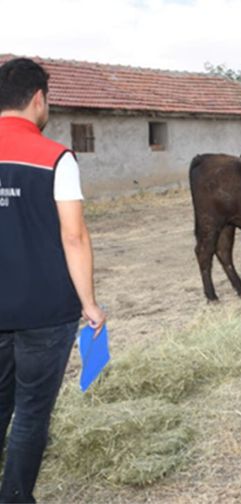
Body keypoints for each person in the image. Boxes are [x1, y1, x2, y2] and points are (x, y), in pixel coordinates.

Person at [0, 58, 106, 503]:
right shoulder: (56, 156)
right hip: (45, 311)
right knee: (30, 414)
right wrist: (90, 303)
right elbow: (74, 236)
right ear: (39, 98)